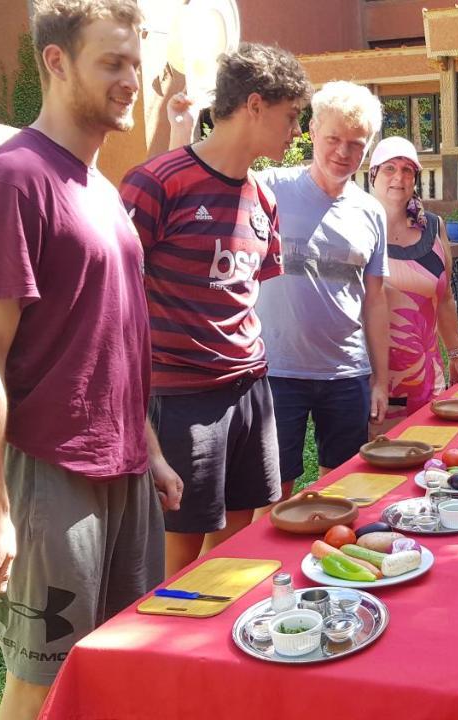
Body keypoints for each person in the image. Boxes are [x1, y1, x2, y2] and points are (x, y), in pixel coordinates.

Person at [0, 1, 182, 718]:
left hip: (125, 473)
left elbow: (110, 342)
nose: (130, 83)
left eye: (135, 66)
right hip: (53, 473)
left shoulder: (105, 191)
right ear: (56, 62)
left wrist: (151, 451)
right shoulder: (12, 180)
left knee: (119, 662)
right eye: (112, 63)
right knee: (40, 682)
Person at [119, 44, 312, 575]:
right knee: (175, 550)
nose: (296, 131)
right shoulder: (158, 184)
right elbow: (114, 301)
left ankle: (210, 644)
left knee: (235, 540)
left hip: (250, 389)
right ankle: (160, 650)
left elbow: (248, 292)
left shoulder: (263, 198)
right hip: (180, 396)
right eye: (292, 116)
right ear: (254, 105)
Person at [254, 81, 390, 491]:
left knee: (344, 487)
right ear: (312, 131)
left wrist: (381, 379)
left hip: (347, 372)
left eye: (356, 144)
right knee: (273, 491)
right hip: (276, 370)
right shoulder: (268, 188)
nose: (343, 153)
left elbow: (375, 300)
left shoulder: (370, 212)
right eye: (333, 139)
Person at [366, 136, 458, 434]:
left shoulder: (433, 227)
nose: (399, 177)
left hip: (426, 377)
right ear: (373, 175)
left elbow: (445, 298)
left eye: (408, 169)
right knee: (380, 469)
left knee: (431, 461)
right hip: (375, 382)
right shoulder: (358, 228)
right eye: (389, 168)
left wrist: (457, 355)